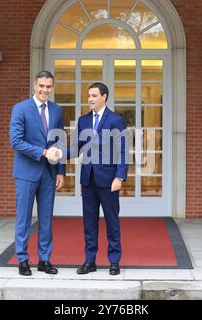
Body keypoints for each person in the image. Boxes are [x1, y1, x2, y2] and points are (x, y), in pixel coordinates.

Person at [68, 82, 129, 276]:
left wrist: (120, 176)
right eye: (88, 96)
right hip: (88, 180)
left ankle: (114, 261)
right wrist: (59, 152)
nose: (90, 99)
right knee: (89, 223)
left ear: (104, 97)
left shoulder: (116, 120)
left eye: (94, 95)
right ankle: (90, 261)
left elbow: (123, 150)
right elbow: (76, 146)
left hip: (109, 179)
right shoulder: (83, 120)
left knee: (112, 222)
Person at [9, 71, 65, 276]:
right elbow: (15, 141)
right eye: (41, 85)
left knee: (46, 218)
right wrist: (42, 152)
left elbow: (60, 141)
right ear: (35, 85)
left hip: (50, 173)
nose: (44, 90)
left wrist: (61, 170)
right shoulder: (20, 109)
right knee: (23, 217)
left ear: (52, 87)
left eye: (48, 86)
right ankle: (22, 259)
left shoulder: (57, 110)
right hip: (26, 172)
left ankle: (44, 259)